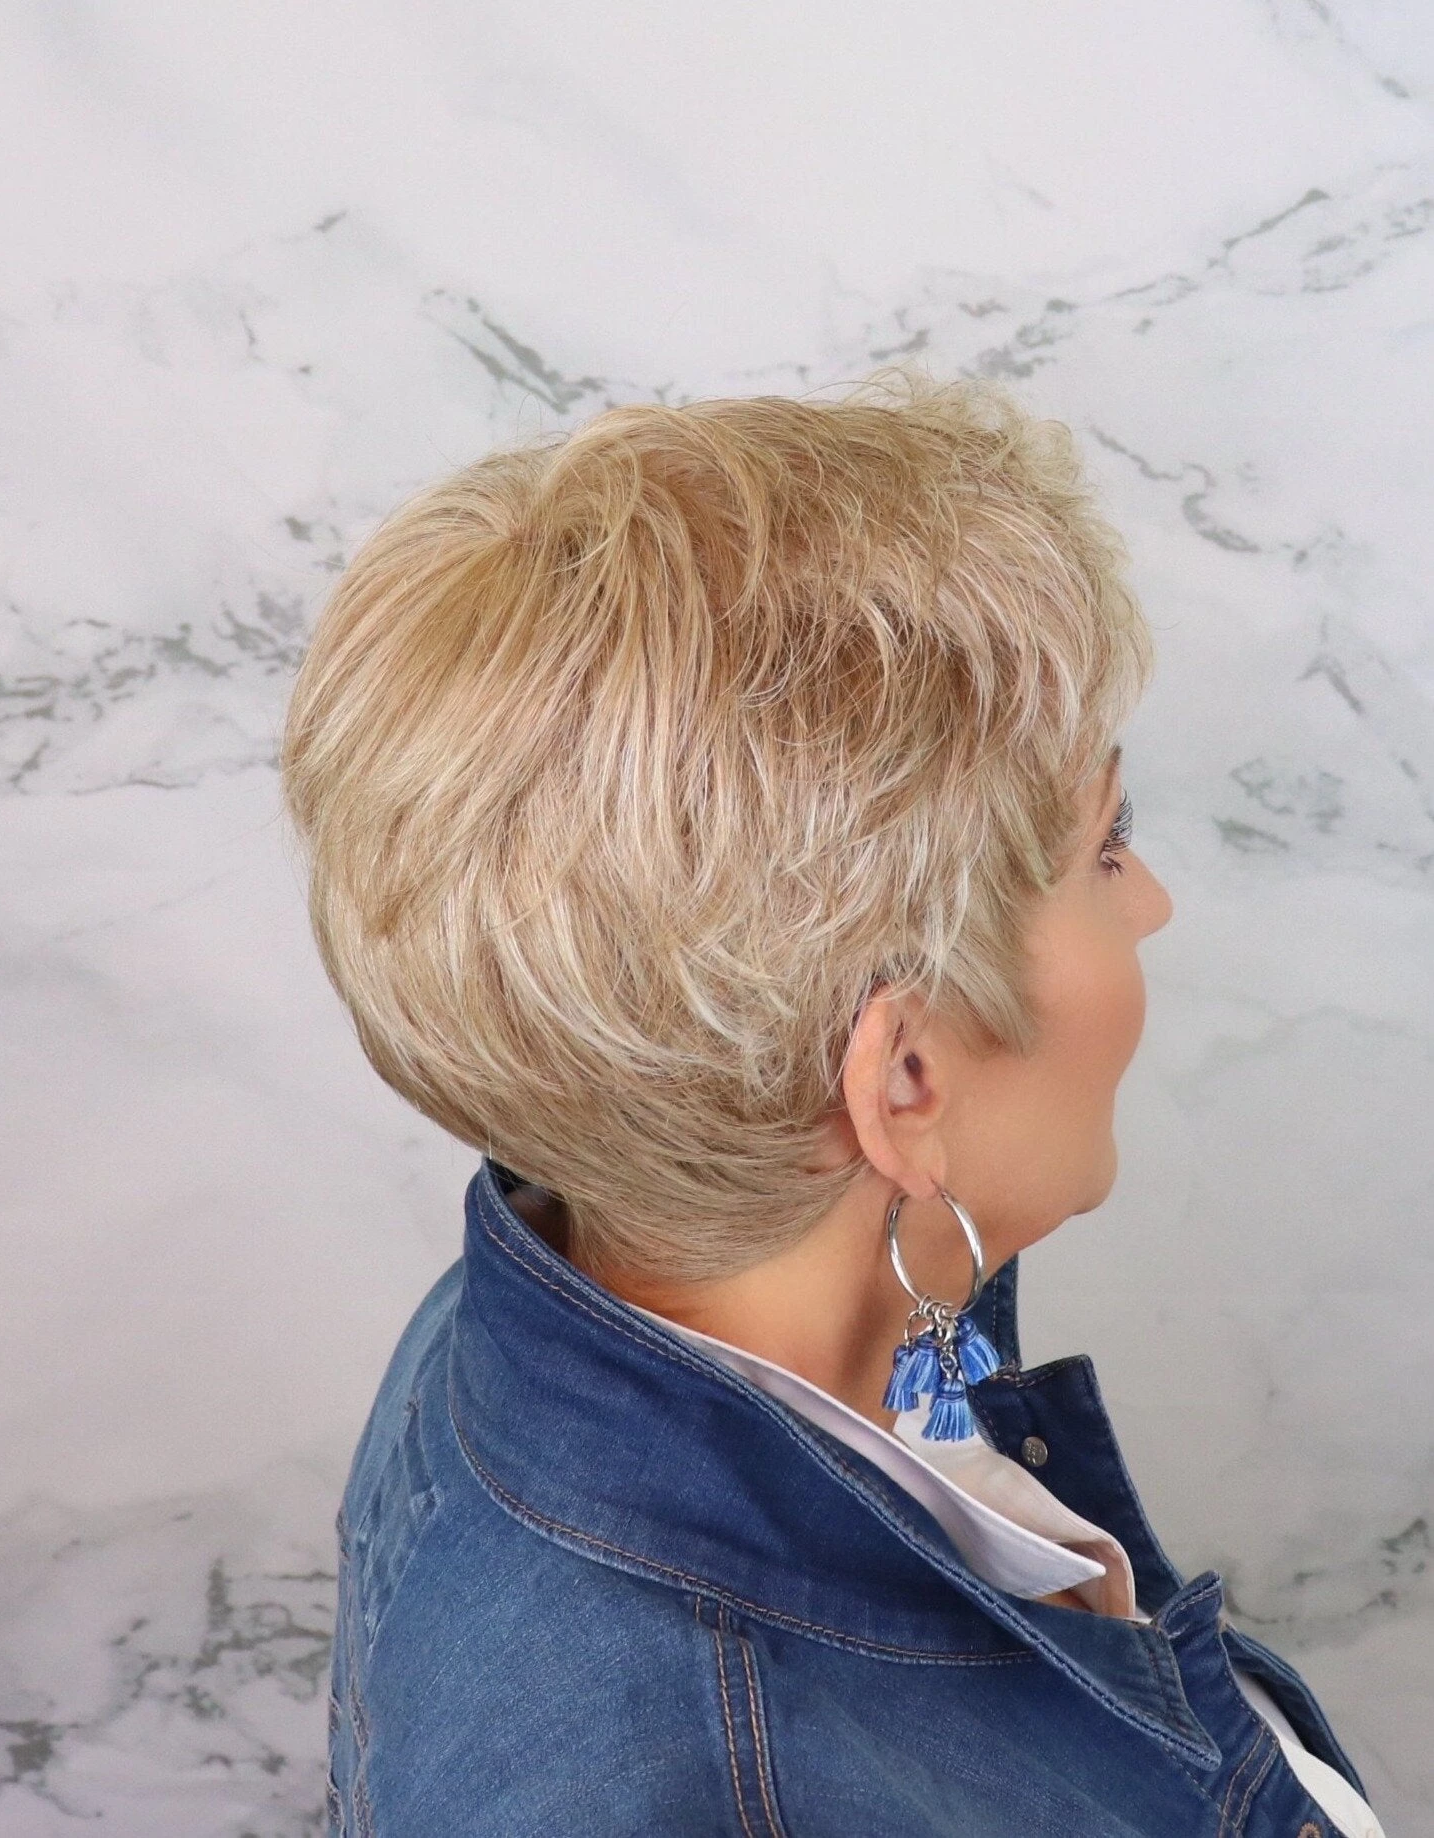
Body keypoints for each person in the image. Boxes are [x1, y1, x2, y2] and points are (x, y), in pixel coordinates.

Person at [280, 372, 1382, 1836]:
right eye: (1107, 847)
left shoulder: (565, 1286)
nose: (1156, 902)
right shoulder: (715, 1794)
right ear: (906, 1082)